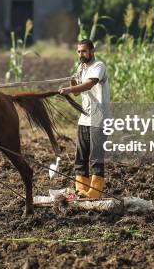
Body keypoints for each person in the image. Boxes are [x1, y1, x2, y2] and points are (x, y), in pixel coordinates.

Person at [58, 39, 111, 199]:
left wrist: (69, 88)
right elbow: (76, 92)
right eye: (79, 52)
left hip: (99, 118)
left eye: (84, 51)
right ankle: (81, 189)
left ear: (92, 51)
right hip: (84, 118)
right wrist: (72, 80)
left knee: (96, 157)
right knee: (80, 157)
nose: (81, 54)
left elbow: (88, 85)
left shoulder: (99, 66)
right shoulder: (82, 68)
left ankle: (95, 192)